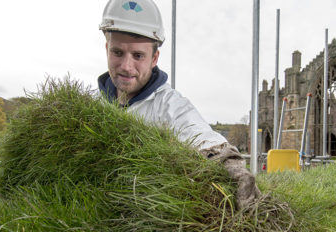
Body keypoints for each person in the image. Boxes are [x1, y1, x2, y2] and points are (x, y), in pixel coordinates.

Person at [97, 0, 259, 210]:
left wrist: (231, 165)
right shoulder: (91, 104)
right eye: (118, 53)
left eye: (138, 56)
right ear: (107, 48)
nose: (127, 66)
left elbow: (198, 134)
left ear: (154, 58)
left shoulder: (170, 106)